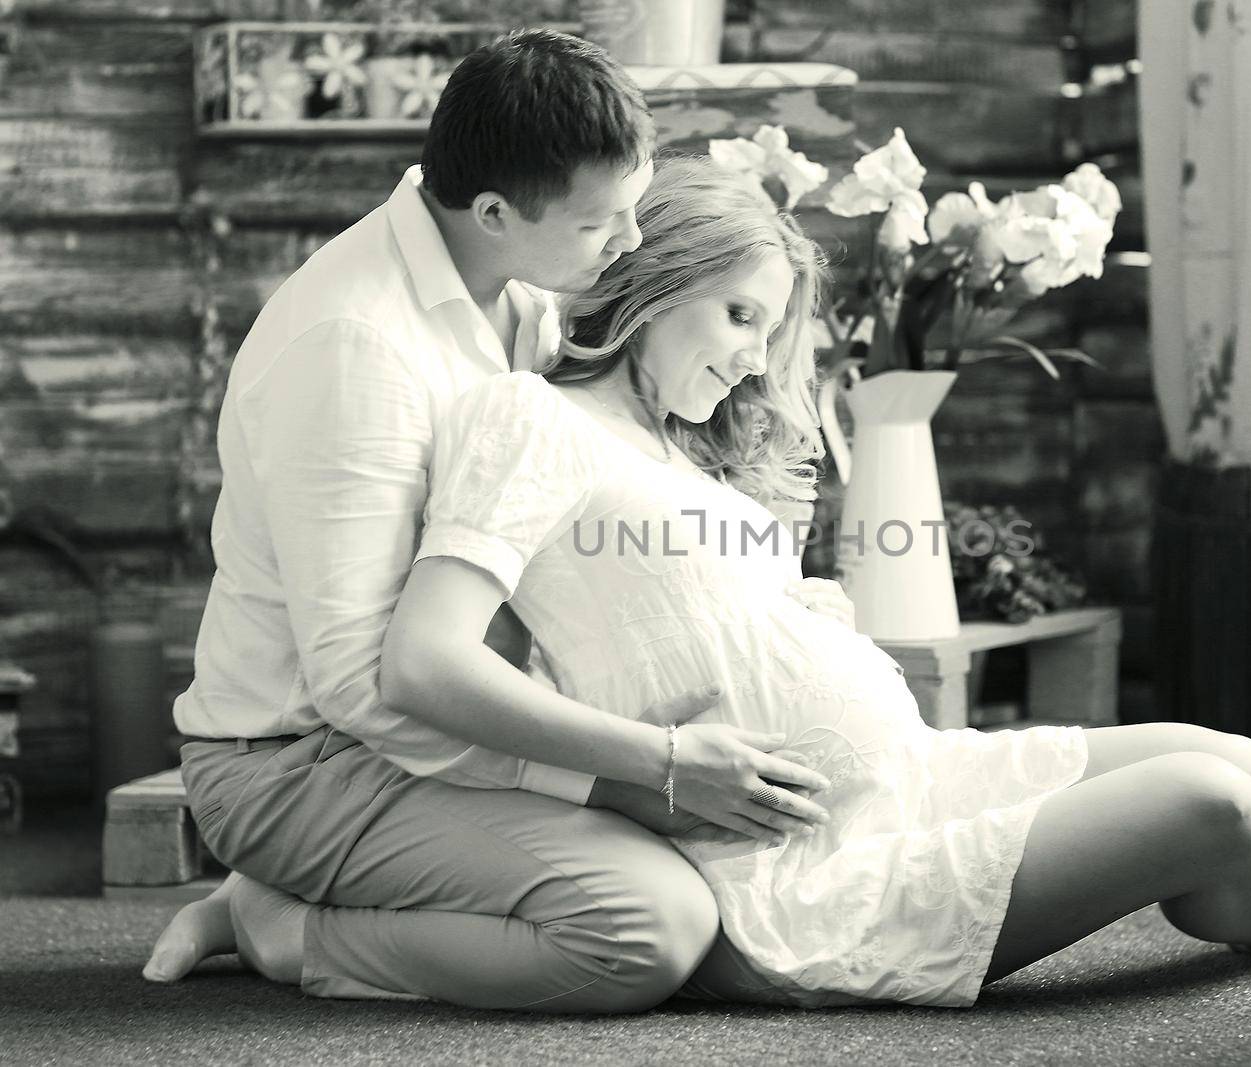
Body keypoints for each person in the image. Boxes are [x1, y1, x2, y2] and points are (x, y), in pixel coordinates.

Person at [370, 154, 1251, 1008]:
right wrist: (661, 760)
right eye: (740, 316)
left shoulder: (677, 451)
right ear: (652, 282)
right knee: (1212, 802)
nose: (756, 357)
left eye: (771, 330)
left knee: (1244, 762)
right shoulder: (530, 418)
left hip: (908, 780)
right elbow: (426, 662)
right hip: (806, 866)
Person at [142, 30, 834, 1012]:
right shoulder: (357, 349)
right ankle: (281, 923)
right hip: (302, 761)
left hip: (420, 728)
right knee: (649, 925)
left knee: (743, 833)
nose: (633, 244)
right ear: (497, 211)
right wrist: (632, 776)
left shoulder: (522, 296)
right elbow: (360, 686)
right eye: (606, 226)